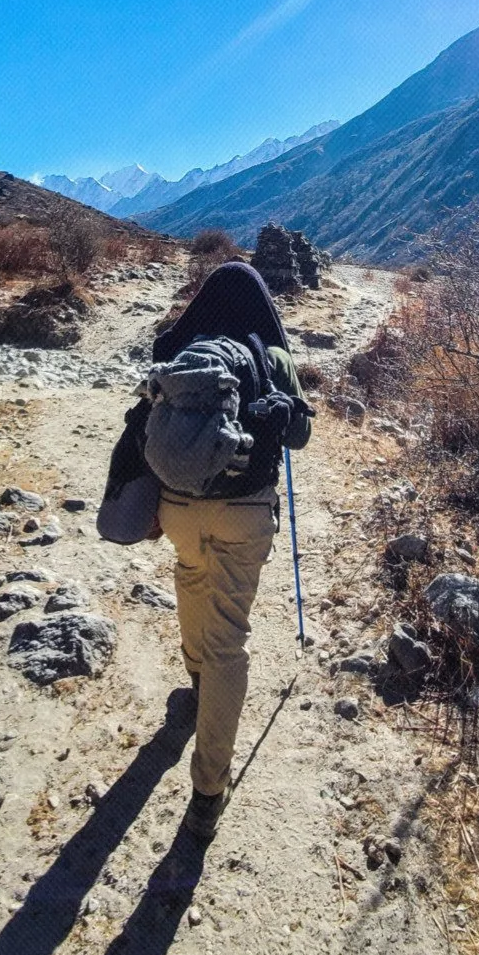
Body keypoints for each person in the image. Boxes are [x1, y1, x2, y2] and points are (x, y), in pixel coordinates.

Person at [132, 260, 313, 843]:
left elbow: (145, 424)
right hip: (244, 512)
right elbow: (300, 436)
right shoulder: (273, 356)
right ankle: (208, 790)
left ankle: (195, 677)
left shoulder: (179, 348)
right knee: (229, 638)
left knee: (190, 574)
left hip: (178, 506)